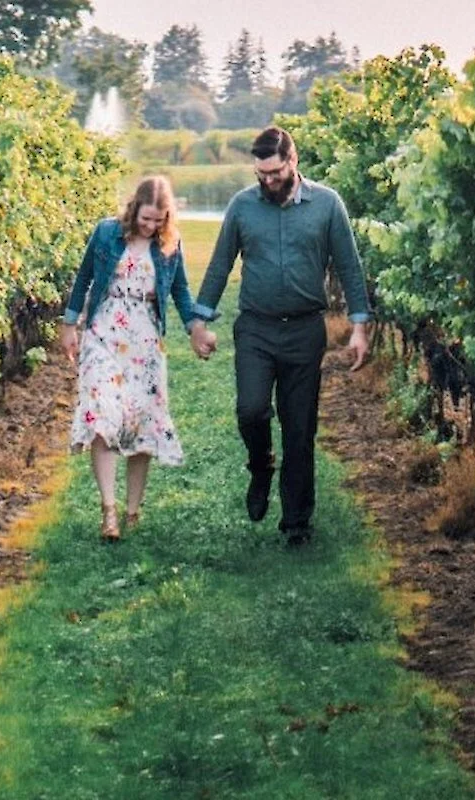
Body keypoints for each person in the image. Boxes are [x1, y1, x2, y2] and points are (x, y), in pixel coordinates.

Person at [187, 126, 372, 547]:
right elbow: (219, 265)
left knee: (299, 426)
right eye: (260, 174)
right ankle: (260, 464)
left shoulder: (327, 205)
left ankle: (297, 522)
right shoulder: (242, 206)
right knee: (251, 411)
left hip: (306, 330)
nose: (267, 181)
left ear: (293, 162)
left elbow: (349, 266)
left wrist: (359, 327)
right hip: (256, 327)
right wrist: (199, 321)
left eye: (274, 173)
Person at [60, 176, 201, 542]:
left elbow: (182, 291)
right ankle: (109, 512)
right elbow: (84, 278)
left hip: (145, 338)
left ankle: (133, 511)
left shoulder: (170, 245)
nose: (151, 226)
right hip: (105, 331)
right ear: (134, 208)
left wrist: (194, 328)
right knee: (102, 412)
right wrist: (69, 323)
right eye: (146, 218)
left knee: (141, 421)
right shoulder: (106, 233)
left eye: (159, 220)